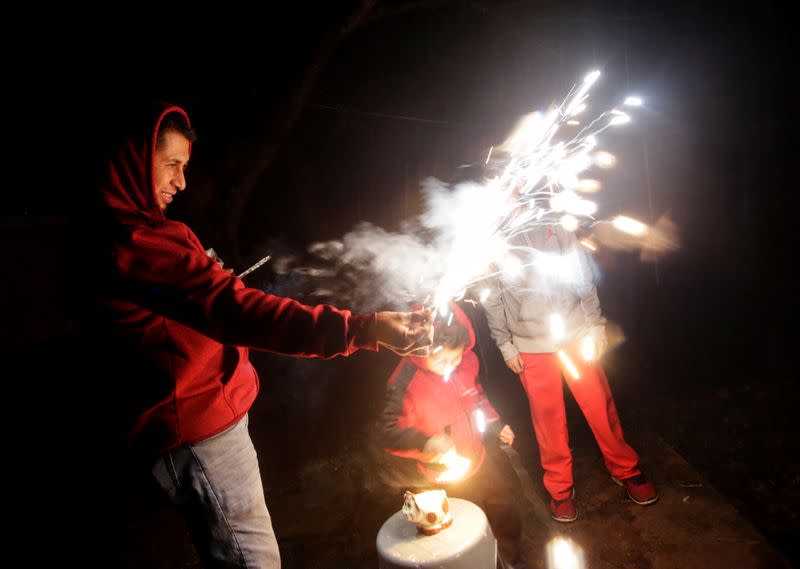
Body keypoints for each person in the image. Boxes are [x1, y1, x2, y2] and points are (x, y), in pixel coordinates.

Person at [72, 101, 434, 568]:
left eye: (185, 167)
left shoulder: (142, 236)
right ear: (134, 163)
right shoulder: (134, 245)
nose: (180, 182)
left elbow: (192, 306)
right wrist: (360, 330)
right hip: (199, 438)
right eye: (171, 166)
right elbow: (236, 311)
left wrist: (204, 282)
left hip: (207, 425)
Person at [482, 222, 658, 523]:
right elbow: (489, 294)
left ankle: (625, 468)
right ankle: (560, 489)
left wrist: (594, 324)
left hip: (575, 333)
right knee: (547, 419)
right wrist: (505, 344)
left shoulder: (555, 223)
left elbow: (582, 275)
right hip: (530, 343)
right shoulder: (492, 235)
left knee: (599, 404)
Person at [374, 301, 522, 566]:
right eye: (441, 359)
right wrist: (426, 442)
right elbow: (386, 432)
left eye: (456, 357)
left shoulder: (466, 361)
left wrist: (495, 425)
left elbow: (475, 398)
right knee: (459, 532)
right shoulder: (404, 383)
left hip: (480, 459)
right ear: (422, 348)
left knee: (505, 510)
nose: (450, 366)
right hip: (440, 479)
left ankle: (505, 560)